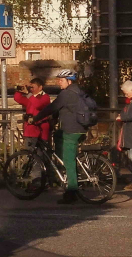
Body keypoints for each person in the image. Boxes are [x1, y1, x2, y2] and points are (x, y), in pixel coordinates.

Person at [37, 71, 93, 204]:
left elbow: (52, 107)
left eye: (61, 80)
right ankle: (63, 166)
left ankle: (71, 192)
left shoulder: (66, 94)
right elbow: (64, 109)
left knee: (69, 161)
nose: (58, 82)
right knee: (58, 137)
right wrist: (54, 118)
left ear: (69, 81)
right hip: (80, 130)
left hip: (71, 131)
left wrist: (36, 118)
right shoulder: (79, 92)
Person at [13, 79, 51, 149]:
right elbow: (17, 98)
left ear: (40, 87)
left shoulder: (45, 97)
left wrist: (28, 94)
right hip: (30, 129)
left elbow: (38, 105)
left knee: (40, 153)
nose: (31, 89)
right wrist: (19, 90)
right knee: (28, 152)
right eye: (30, 87)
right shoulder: (30, 97)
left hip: (41, 129)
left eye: (33, 87)